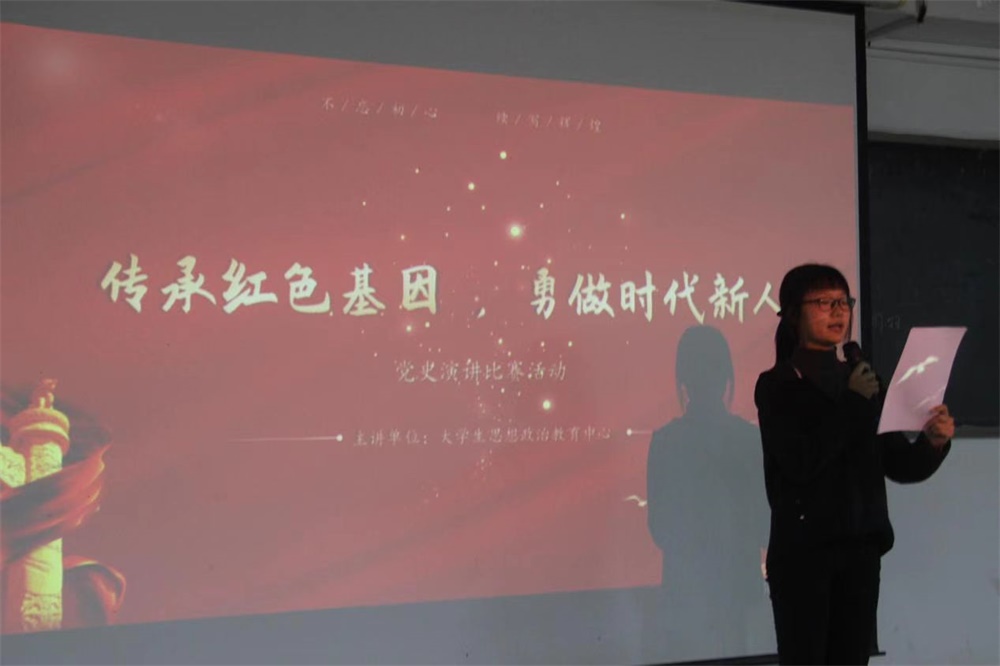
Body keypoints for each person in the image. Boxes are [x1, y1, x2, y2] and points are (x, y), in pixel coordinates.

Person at [754, 264, 954, 665]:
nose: (838, 312)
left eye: (843, 302)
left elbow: (897, 463)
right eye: (823, 302)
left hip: (860, 554)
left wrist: (932, 443)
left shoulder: (863, 379)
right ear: (792, 314)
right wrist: (853, 402)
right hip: (803, 558)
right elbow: (801, 461)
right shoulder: (779, 384)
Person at [645, 325, 770, 660]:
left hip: (689, 592)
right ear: (726, 375)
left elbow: (659, 527)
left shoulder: (666, 441)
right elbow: (764, 523)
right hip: (735, 590)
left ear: (682, 379)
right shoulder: (748, 439)